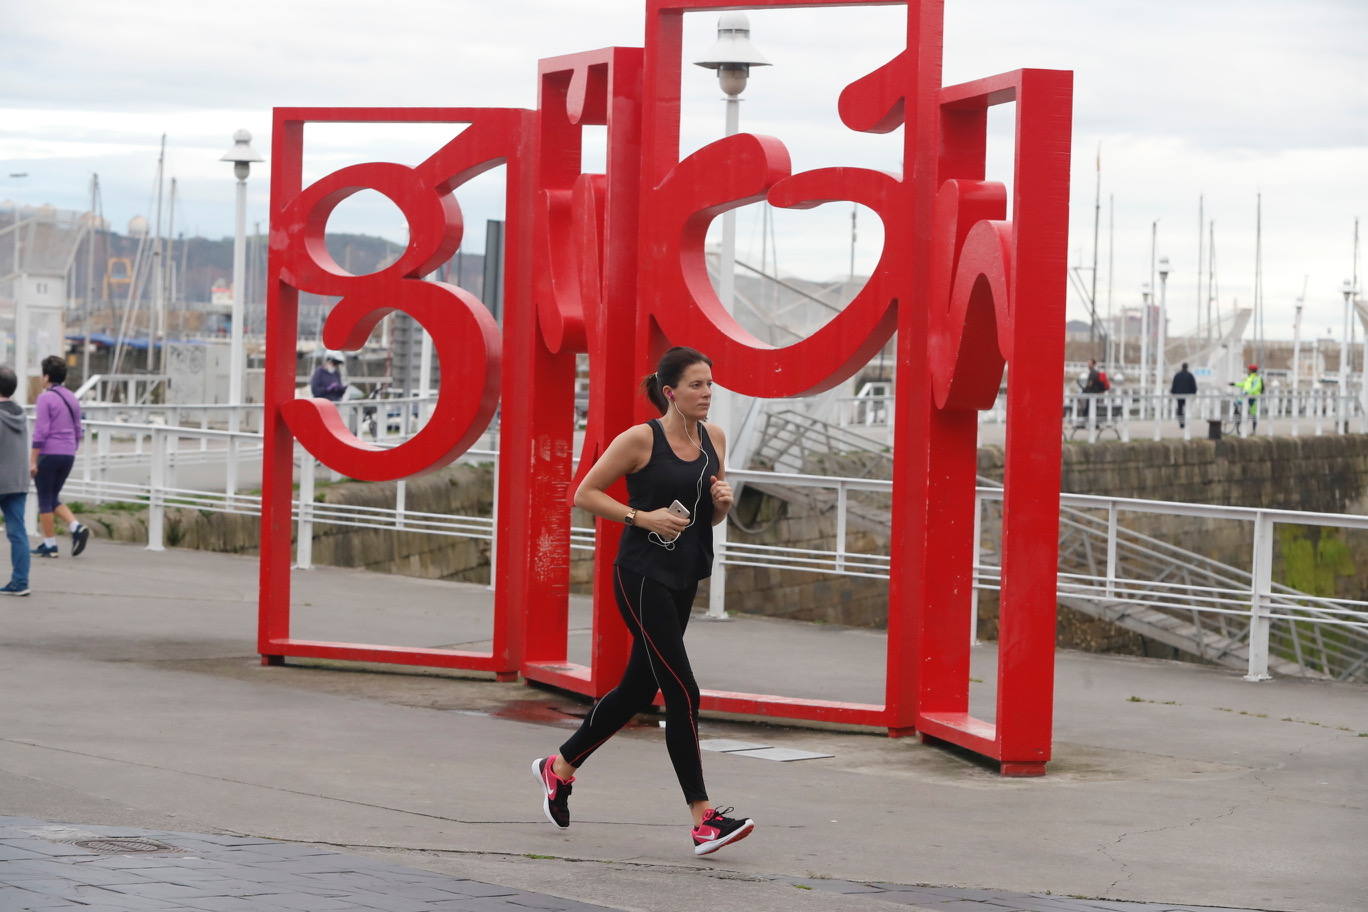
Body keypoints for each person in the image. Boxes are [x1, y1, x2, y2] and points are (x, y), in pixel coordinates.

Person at [531, 346, 755, 857]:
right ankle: (704, 819)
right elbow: (583, 493)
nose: (707, 394)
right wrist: (642, 517)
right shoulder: (639, 439)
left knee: (636, 689)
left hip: (685, 575)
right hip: (641, 576)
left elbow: (707, 520)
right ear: (670, 392)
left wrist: (722, 507)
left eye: (710, 385)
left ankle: (559, 766)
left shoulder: (714, 440)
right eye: (697, 385)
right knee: (683, 690)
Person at [30, 356, 89, 559]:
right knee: (52, 496)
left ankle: (50, 545)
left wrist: (32, 460)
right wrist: (72, 448)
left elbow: (40, 431)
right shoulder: (71, 397)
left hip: (49, 452)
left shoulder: (45, 398)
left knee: (44, 499)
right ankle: (76, 527)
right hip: (67, 454)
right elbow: (77, 429)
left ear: (46, 376)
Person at [0, 367, 31, 595]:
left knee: (17, 532)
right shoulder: (21, 414)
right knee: (18, 532)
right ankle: (20, 582)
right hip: (18, 481)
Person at [1231, 364, 1264, 435]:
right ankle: (1238, 430)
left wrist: (1248, 392)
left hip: (1252, 398)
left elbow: (1257, 387)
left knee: (1253, 415)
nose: (1247, 371)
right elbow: (1244, 384)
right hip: (1244, 398)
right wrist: (1235, 384)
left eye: (1248, 370)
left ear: (1251, 370)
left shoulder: (1257, 378)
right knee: (1238, 411)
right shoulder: (1248, 378)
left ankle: (1253, 430)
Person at [1170, 362, 1198, 429]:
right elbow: (1193, 386)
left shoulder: (1177, 375)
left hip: (1179, 395)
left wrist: (1173, 392)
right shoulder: (1190, 375)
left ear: (1182, 367)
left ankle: (1181, 422)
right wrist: (1194, 393)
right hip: (1188, 395)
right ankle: (1186, 421)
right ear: (1187, 367)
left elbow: (1174, 385)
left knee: (1180, 408)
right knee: (1187, 408)